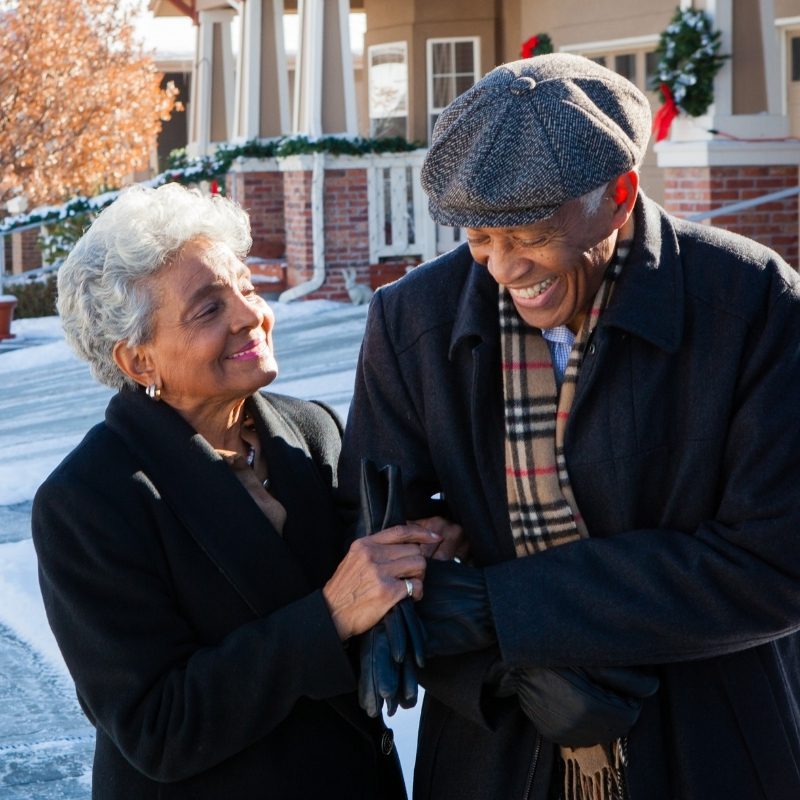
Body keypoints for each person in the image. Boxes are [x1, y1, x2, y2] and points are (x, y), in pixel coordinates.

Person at [339, 53, 800, 800]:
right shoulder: (409, 322)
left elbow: (777, 562)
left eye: (527, 236)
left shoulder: (753, 303)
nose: (502, 269)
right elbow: (372, 538)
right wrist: (491, 671)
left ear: (619, 195)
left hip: (711, 739)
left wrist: (505, 608)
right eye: (479, 239)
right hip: (496, 752)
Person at [31, 182, 454, 800]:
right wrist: (329, 615)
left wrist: (416, 554)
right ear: (138, 361)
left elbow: (365, 607)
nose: (250, 314)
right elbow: (158, 728)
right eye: (208, 309)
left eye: (248, 288)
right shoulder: (87, 502)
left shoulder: (309, 430)